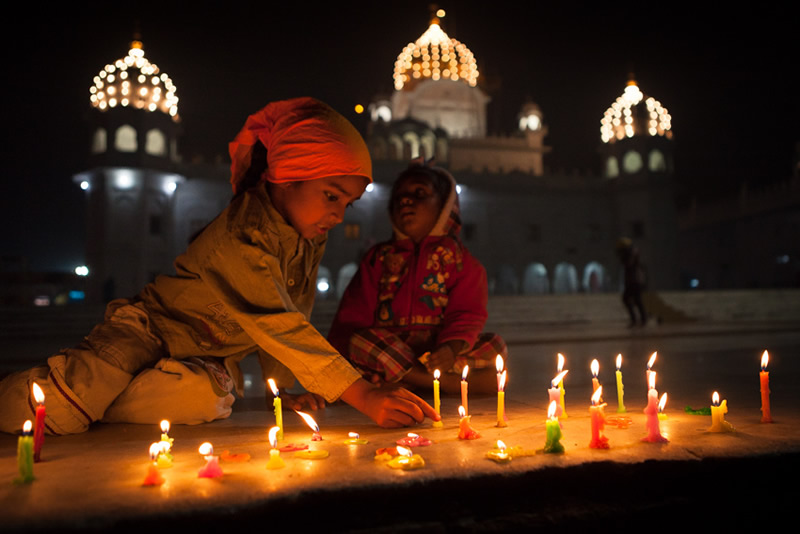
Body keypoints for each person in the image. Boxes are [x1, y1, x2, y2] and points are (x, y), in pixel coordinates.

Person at [0, 97, 438, 435]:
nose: (339, 215)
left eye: (348, 202)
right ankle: (69, 396)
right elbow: (278, 321)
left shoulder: (307, 238)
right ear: (286, 176)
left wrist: (282, 389)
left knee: (205, 401)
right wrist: (361, 393)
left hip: (204, 362)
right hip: (147, 333)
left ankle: (95, 402)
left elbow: (293, 308)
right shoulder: (244, 234)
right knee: (58, 407)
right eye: (331, 195)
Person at [328, 160, 507, 394]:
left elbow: (467, 313)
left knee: (495, 345)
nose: (405, 200)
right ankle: (443, 385)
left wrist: (450, 349)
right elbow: (352, 316)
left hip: (438, 355)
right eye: (398, 196)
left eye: (419, 193)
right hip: (391, 353)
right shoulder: (379, 258)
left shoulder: (459, 260)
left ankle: (410, 381)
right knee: (361, 342)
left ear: (444, 205)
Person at [616, 237, 648, 327]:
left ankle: (641, 319)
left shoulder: (632, 253)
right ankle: (639, 319)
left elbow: (629, 264)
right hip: (632, 281)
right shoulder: (631, 253)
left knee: (636, 300)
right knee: (631, 299)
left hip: (635, 281)